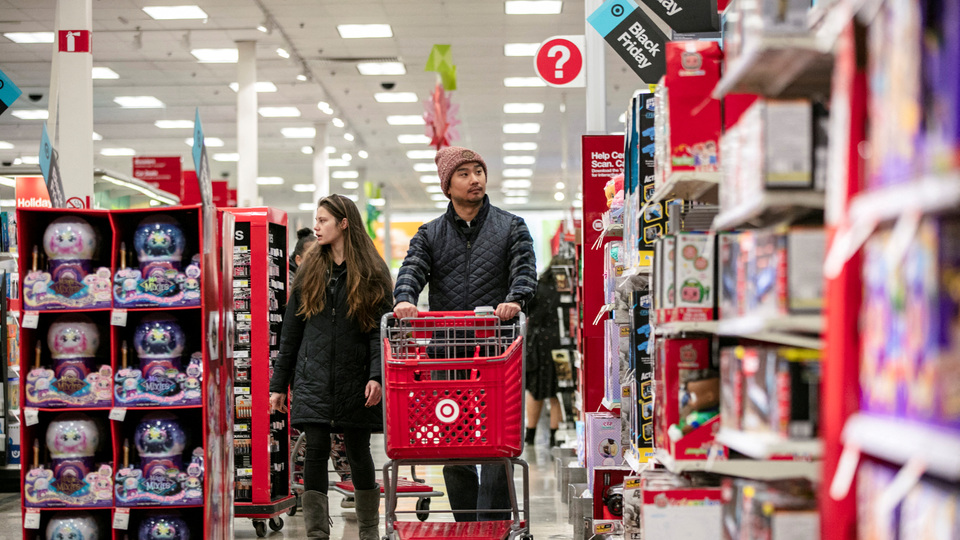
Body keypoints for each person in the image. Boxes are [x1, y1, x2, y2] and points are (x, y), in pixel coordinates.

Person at [393, 146, 537, 522]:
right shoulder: (430, 234)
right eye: (464, 173)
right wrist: (405, 299)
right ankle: (466, 523)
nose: (475, 179)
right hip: (449, 352)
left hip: (497, 353)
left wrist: (515, 299)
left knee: (497, 439)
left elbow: (524, 270)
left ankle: (492, 523)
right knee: (453, 437)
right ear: (448, 185)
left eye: (479, 171)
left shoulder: (511, 226)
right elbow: (412, 268)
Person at [270, 194, 393, 540]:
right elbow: (291, 333)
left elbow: (378, 333)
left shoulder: (371, 272)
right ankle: (317, 533)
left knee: (358, 451)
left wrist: (376, 376)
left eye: (323, 220)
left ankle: (369, 531)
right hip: (314, 378)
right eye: (317, 220)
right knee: (315, 451)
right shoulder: (309, 271)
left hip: (356, 378)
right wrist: (278, 385)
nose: (317, 226)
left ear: (343, 223)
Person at [288, 227, 356, 508]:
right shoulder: (298, 285)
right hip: (307, 376)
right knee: (308, 442)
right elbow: (290, 335)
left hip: (334, 377)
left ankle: (346, 485)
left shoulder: (340, 278)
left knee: (338, 439)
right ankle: (302, 491)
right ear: (299, 259)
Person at [524, 257, 572, 448]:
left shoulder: (538, 287)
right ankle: (554, 436)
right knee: (559, 390)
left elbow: (527, 311)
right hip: (563, 345)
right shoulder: (569, 289)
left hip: (538, 346)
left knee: (535, 391)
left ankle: (530, 434)